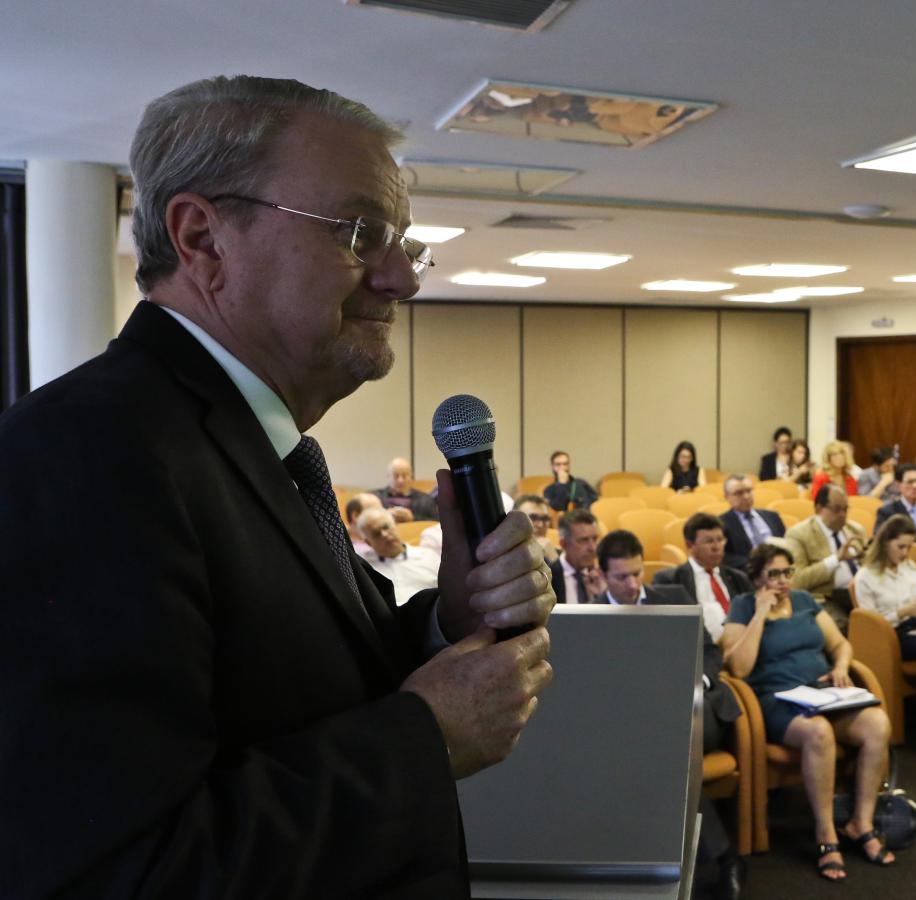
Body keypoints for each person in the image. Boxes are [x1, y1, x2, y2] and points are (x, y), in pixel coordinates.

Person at [0, 75, 554, 896]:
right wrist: (427, 739)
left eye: (403, 242)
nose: (401, 279)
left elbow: (304, 684)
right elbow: (119, 869)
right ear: (203, 238)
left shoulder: (251, 446)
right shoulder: (83, 454)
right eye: (362, 233)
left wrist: (449, 623)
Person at [722, 543, 896, 881]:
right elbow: (738, 668)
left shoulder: (803, 601)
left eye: (788, 572)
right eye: (774, 574)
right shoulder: (743, 606)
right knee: (818, 732)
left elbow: (840, 644)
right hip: (776, 700)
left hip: (822, 693)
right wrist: (760, 613)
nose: (783, 580)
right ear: (757, 578)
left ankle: (861, 822)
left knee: (877, 723)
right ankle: (825, 833)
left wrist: (841, 667)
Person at [592, 530, 745, 899]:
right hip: (641, 724)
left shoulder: (673, 597)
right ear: (602, 575)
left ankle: (693, 863)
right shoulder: (593, 614)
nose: (632, 585)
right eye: (621, 577)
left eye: (637, 573)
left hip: (698, 709)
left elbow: (710, 651)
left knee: (660, 747)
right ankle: (720, 858)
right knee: (661, 750)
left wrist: (699, 682)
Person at [654, 513, 753, 642]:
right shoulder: (670, 580)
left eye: (720, 540)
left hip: (741, 644)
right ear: (690, 545)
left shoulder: (738, 578)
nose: (717, 547)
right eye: (709, 541)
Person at [854, 515, 916, 661]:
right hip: (893, 634)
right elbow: (871, 627)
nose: (905, 553)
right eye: (900, 547)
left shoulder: (909, 566)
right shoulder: (865, 576)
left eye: (909, 547)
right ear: (885, 543)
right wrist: (901, 613)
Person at [785, 484, 866, 632]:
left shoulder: (855, 530)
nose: (842, 515)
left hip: (860, 590)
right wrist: (835, 559)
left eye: (845, 509)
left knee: (884, 616)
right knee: (843, 627)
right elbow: (797, 580)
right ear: (818, 508)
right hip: (825, 596)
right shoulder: (799, 535)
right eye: (836, 509)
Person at [356, 507, 442, 605]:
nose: (384, 534)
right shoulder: (364, 568)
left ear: (396, 526)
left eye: (386, 527)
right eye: (376, 533)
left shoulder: (429, 556)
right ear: (368, 543)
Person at [720, 474, 786, 571]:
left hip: (780, 568)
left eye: (749, 491)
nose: (746, 496)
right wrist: (756, 565)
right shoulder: (721, 523)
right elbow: (724, 556)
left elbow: (786, 543)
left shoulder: (772, 516)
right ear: (727, 497)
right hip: (748, 571)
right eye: (739, 493)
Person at [548, 508, 606, 604]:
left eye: (595, 539)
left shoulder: (604, 576)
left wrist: (602, 597)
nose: (592, 548)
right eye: (583, 540)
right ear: (563, 544)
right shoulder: (548, 578)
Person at [372, 455, 437, 521]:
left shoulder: (426, 500)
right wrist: (385, 515)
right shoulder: (374, 498)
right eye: (396, 476)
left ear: (411, 476)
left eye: (404, 475)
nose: (401, 480)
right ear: (388, 476)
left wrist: (413, 518)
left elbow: (437, 522)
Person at [516, 493, 559, 565]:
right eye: (532, 518)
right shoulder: (504, 556)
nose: (540, 525)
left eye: (545, 518)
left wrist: (554, 560)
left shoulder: (554, 552)